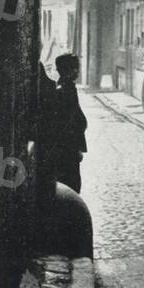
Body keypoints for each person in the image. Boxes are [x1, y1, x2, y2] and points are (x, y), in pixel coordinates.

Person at [49, 53, 87, 194]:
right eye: (73, 68)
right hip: (68, 149)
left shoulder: (67, 88)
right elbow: (70, 123)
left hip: (69, 148)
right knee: (71, 185)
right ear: (64, 70)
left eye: (77, 67)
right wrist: (76, 148)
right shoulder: (65, 91)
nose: (77, 71)